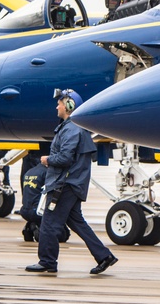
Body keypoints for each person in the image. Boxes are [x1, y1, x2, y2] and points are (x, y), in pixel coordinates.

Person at [25, 89, 117, 275]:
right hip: (72, 184)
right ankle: (104, 256)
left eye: (59, 103)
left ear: (68, 106)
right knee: (77, 223)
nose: (56, 106)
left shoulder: (71, 129)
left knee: (49, 224)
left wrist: (47, 160)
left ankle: (47, 261)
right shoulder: (73, 128)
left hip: (64, 185)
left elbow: (65, 158)